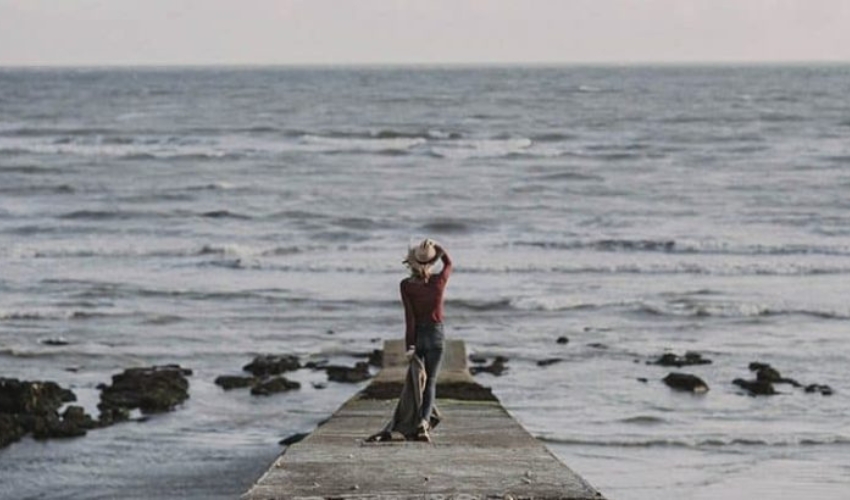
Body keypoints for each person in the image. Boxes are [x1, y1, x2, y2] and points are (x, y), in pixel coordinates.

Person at [400, 238, 452, 442]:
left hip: (419, 336)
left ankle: (417, 420)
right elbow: (449, 263)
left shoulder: (406, 286)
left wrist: (409, 345)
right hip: (437, 335)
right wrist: (438, 248)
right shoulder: (439, 281)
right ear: (432, 263)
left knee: (416, 382)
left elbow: (409, 318)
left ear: (412, 262)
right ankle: (423, 422)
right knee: (430, 382)